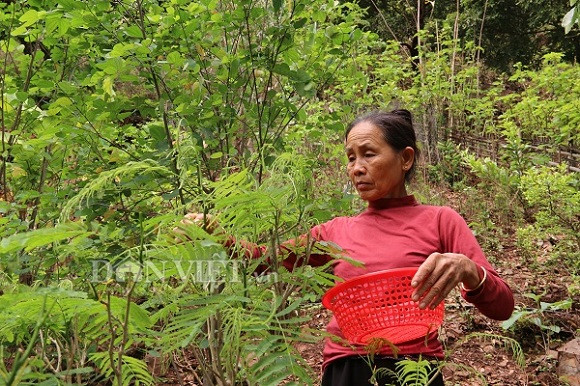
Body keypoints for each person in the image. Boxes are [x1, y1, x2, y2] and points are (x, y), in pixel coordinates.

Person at [184, 109, 515, 385]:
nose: (356, 168)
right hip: (347, 369)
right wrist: (217, 235)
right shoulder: (334, 231)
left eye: (369, 154)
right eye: (351, 157)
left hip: (417, 368)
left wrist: (469, 270)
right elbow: (260, 260)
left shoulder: (440, 220)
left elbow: (502, 307)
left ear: (406, 159)